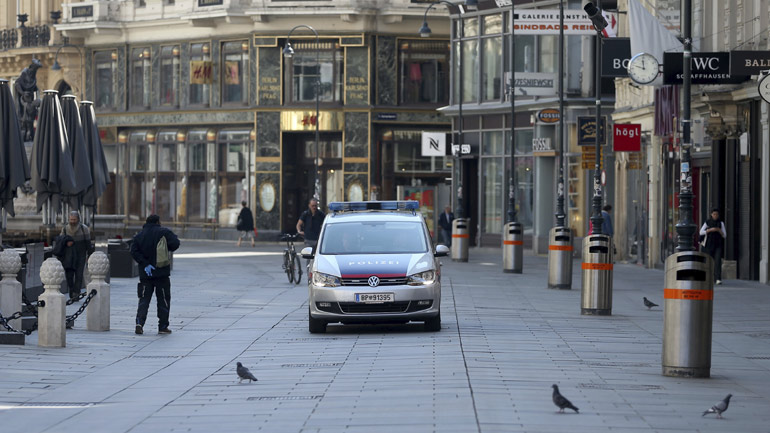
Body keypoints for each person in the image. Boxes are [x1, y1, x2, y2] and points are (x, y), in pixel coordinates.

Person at [131, 214, 180, 335]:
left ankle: (139, 323)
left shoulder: (139, 235)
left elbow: (133, 251)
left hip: (146, 274)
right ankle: (163, 326)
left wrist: (145, 263)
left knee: (144, 300)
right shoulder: (164, 232)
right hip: (161, 273)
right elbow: (175, 244)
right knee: (163, 299)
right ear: (158, 222)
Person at [60, 211, 91, 300]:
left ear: (78, 219)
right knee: (69, 275)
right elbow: (60, 241)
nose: (72, 221)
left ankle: (76, 293)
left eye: (74, 219)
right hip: (69, 256)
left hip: (81, 255)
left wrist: (89, 254)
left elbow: (88, 243)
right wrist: (66, 242)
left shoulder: (84, 228)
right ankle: (71, 291)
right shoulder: (65, 229)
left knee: (79, 275)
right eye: (71, 219)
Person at [700, 208, 726, 285]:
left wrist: (718, 230)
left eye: (717, 214)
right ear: (711, 214)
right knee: (709, 261)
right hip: (709, 245)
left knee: (718, 261)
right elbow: (701, 232)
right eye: (714, 214)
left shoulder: (721, 223)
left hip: (718, 244)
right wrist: (710, 230)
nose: (715, 216)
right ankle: (708, 277)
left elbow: (724, 235)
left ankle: (718, 278)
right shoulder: (707, 222)